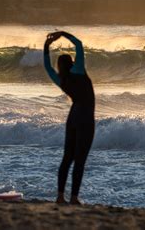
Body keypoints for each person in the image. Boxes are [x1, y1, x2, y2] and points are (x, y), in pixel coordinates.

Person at [43, 31, 95, 205]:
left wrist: (46, 46)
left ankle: (59, 196)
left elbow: (48, 68)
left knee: (67, 158)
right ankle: (73, 198)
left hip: (73, 117)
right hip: (85, 117)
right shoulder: (78, 70)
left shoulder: (61, 79)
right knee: (79, 160)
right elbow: (79, 44)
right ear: (71, 62)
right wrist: (63, 34)